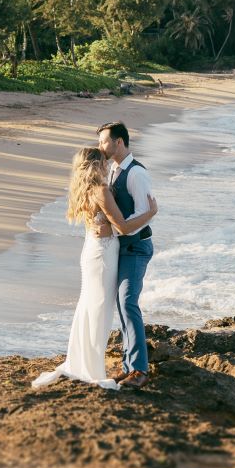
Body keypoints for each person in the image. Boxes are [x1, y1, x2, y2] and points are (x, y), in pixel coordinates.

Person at [32, 145, 158, 391]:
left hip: (93, 250)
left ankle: (84, 361)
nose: (108, 164)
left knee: (90, 306)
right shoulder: (101, 190)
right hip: (103, 255)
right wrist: (151, 212)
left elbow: (107, 224)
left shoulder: (84, 187)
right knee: (99, 311)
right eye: (103, 161)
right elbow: (121, 226)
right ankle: (91, 368)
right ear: (95, 165)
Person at [97, 120, 154, 389]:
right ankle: (128, 367)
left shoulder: (136, 173)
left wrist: (113, 231)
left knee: (128, 303)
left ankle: (140, 370)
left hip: (136, 247)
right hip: (123, 247)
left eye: (104, 141)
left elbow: (141, 216)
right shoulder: (113, 171)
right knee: (122, 306)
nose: (101, 147)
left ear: (119, 142)